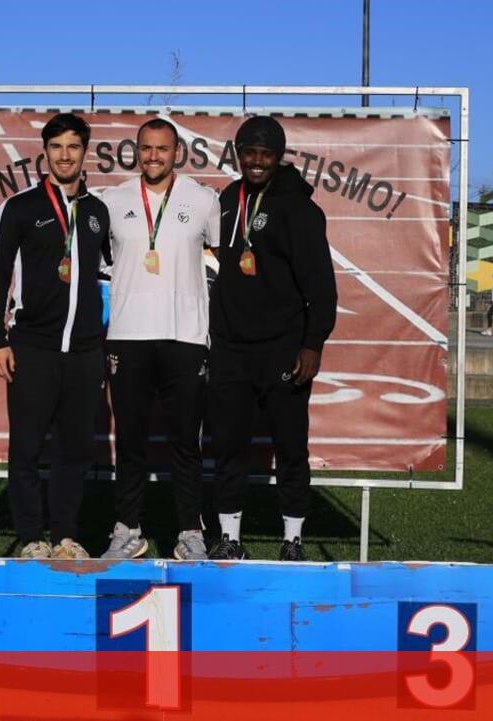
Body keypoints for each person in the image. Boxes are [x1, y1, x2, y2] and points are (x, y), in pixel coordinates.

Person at [207, 116, 337, 562]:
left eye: (266, 154)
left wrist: (312, 344)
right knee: (228, 447)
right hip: (230, 347)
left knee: (290, 447)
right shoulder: (227, 199)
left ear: (279, 157)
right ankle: (229, 537)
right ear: (237, 154)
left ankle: (293, 539)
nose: (257, 161)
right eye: (250, 152)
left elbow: (321, 288)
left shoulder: (300, 210)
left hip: (283, 347)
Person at [0, 113, 110, 561]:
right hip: (33, 347)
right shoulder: (20, 208)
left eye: (73, 146)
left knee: (75, 450)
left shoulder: (97, 212)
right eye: (56, 147)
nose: (65, 156)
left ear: (84, 152)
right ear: (45, 153)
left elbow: (108, 276)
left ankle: (65, 536)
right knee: (27, 448)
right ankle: (32, 537)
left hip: (84, 351)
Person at [97, 118, 221, 561]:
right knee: (130, 442)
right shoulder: (112, 201)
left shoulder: (203, 200)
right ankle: (127, 530)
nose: (153, 156)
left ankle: (190, 533)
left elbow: (222, 259)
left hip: (185, 337)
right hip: (128, 336)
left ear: (177, 153)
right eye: (146, 148)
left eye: (162, 149)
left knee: (185, 442)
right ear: (136, 151)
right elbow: (97, 260)